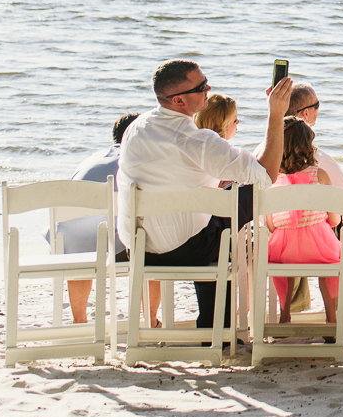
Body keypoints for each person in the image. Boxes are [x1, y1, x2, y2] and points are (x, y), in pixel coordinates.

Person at [117, 61, 293, 330]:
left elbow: (176, 171)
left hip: (138, 249)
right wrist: (276, 114)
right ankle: (216, 330)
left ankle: (214, 326)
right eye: (201, 87)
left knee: (215, 216)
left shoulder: (137, 128)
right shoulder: (197, 141)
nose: (208, 89)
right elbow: (266, 176)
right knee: (242, 204)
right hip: (184, 251)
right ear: (178, 100)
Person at [58, 112, 140, 325]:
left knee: (82, 238)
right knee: (152, 245)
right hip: (112, 248)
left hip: (69, 248)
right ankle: (152, 320)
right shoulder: (135, 160)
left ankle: (79, 320)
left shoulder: (92, 159)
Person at [266, 118, 342, 330]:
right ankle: (331, 320)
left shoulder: (272, 180)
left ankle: (285, 315)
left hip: (283, 250)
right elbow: (334, 219)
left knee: (285, 268)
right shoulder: (320, 175)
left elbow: (271, 224)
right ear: (308, 145)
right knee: (331, 264)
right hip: (319, 248)